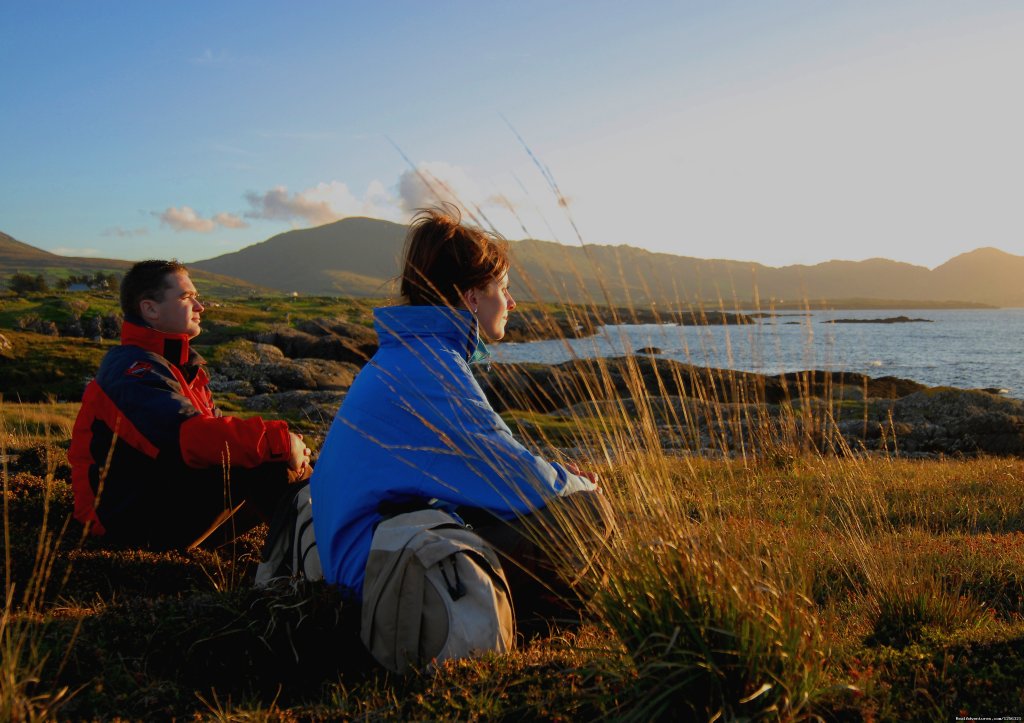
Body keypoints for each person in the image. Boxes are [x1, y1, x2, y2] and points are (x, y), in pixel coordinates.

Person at [310, 207, 613, 628]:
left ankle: (537, 622)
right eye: (502, 289)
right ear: (472, 298)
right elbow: (512, 478)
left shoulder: (408, 355)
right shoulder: (431, 369)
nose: (511, 302)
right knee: (586, 510)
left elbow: (480, 469)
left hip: (370, 562)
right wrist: (581, 484)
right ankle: (542, 628)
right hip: (382, 585)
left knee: (540, 505)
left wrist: (555, 477)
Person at [69, 260, 311, 550]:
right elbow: (188, 438)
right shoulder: (132, 370)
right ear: (151, 309)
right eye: (186, 298)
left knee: (270, 457)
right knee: (265, 461)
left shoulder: (180, 367)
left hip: (160, 502)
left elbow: (216, 432)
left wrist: (295, 452)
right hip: (119, 526)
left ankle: (319, 554)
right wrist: (280, 441)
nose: (200, 306)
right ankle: (319, 568)